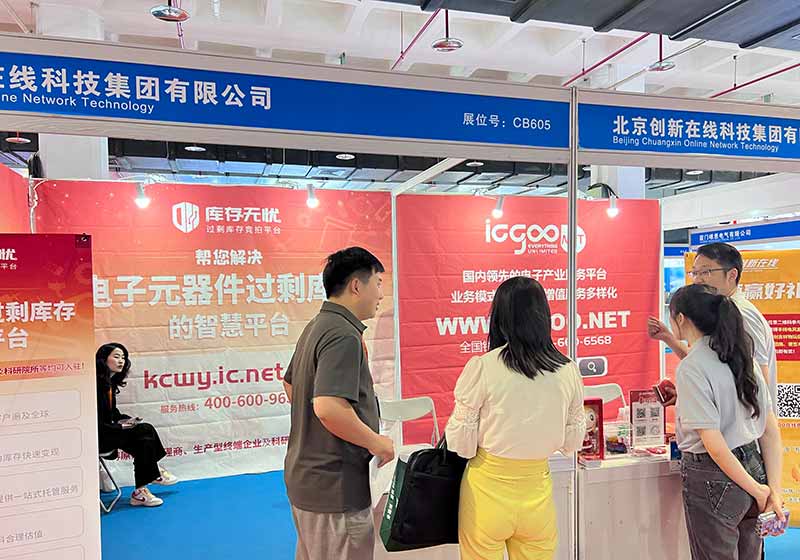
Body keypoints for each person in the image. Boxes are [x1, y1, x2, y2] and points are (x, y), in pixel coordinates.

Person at [445, 276, 586, 560]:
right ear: (544, 317)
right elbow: (572, 442)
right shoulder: (568, 369)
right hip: (538, 493)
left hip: (486, 491)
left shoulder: (483, 366)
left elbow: (461, 444)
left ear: (500, 318)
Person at [283, 247, 394, 560]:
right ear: (356, 286)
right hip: (335, 487)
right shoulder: (343, 334)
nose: (381, 294)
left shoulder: (318, 325)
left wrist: (321, 431)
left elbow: (291, 384)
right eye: (378, 283)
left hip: (309, 479)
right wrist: (377, 443)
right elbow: (328, 408)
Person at [668, 284, 784, 560]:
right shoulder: (743, 357)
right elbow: (769, 430)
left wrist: (759, 490)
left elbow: (715, 446)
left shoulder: (692, 366)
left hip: (714, 476)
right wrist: (773, 491)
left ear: (681, 318)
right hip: (754, 466)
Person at [649, 242, 777, 412]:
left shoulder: (741, 314)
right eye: (695, 273)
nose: (698, 279)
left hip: (747, 422)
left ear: (732, 274)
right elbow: (712, 363)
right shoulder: (720, 313)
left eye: (706, 272)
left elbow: (758, 381)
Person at [96, 343, 178, 507]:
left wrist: (127, 420)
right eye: (116, 357)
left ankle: (140, 491)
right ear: (103, 359)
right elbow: (96, 421)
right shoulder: (95, 386)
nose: (121, 361)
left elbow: (112, 414)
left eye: (123, 358)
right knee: (144, 431)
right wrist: (120, 427)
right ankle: (152, 473)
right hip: (98, 437)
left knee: (144, 435)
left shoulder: (109, 384)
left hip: (109, 432)